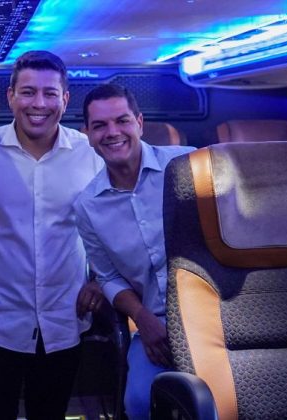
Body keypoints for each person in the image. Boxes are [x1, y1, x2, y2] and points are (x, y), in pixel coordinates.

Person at [0, 50, 104, 420]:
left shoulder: (90, 154)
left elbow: (107, 227)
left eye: (50, 93)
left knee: (51, 414)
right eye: (28, 92)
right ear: (10, 96)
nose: (38, 104)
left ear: (65, 99)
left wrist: (102, 280)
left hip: (65, 318)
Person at [73, 83, 195, 419]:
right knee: (139, 402)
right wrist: (143, 320)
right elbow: (108, 277)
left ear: (139, 123)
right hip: (154, 321)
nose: (112, 133)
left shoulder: (189, 165)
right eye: (100, 125)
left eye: (122, 121)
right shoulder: (87, 206)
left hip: (217, 312)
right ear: (88, 134)